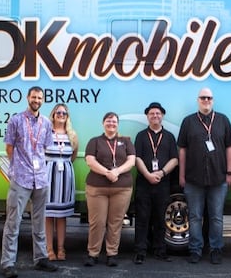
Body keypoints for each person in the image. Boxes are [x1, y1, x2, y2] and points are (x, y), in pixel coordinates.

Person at [0, 86, 58, 278]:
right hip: (21, 178)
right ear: (28, 98)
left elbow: (45, 148)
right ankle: (8, 263)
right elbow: (9, 147)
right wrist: (17, 167)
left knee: (39, 221)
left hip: (40, 178)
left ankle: (41, 258)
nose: (36, 100)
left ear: (43, 100)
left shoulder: (46, 123)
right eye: (34, 97)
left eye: (39, 97)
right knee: (13, 222)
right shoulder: (16, 120)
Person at [178, 88, 231, 264]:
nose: (206, 100)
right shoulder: (188, 122)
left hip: (218, 178)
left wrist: (230, 172)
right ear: (198, 100)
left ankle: (216, 249)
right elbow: (182, 149)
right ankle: (195, 250)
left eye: (209, 97)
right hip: (193, 179)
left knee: (216, 217)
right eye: (203, 97)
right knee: (194, 217)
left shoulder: (223, 120)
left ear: (213, 100)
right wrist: (181, 175)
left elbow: (229, 147)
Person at [83, 112, 136, 267]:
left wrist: (117, 172)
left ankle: (112, 253)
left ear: (118, 124)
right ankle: (93, 253)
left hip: (121, 188)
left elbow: (131, 160)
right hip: (97, 188)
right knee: (97, 222)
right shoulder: (95, 141)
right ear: (103, 123)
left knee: (116, 222)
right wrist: (107, 172)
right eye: (108, 121)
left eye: (114, 121)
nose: (111, 124)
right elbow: (90, 161)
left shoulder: (126, 141)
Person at [132, 102, 178, 264]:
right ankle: (140, 251)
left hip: (163, 183)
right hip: (144, 183)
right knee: (142, 218)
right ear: (147, 116)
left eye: (158, 113)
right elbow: (137, 158)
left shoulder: (169, 136)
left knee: (160, 218)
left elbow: (174, 159)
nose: (155, 116)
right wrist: (147, 174)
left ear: (162, 115)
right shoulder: (141, 136)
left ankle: (160, 250)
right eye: (152, 114)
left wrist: (161, 172)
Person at [44, 103, 78, 261]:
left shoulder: (72, 135)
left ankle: (61, 249)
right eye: (58, 112)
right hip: (47, 174)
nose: (61, 115)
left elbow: (74, 155)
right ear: (53, 115)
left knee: (62, 215)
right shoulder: (46, 132)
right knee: (48, 215)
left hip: (65, 176)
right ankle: (49, 249)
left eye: (64, 113)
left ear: (67, 116)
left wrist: (63, 163)